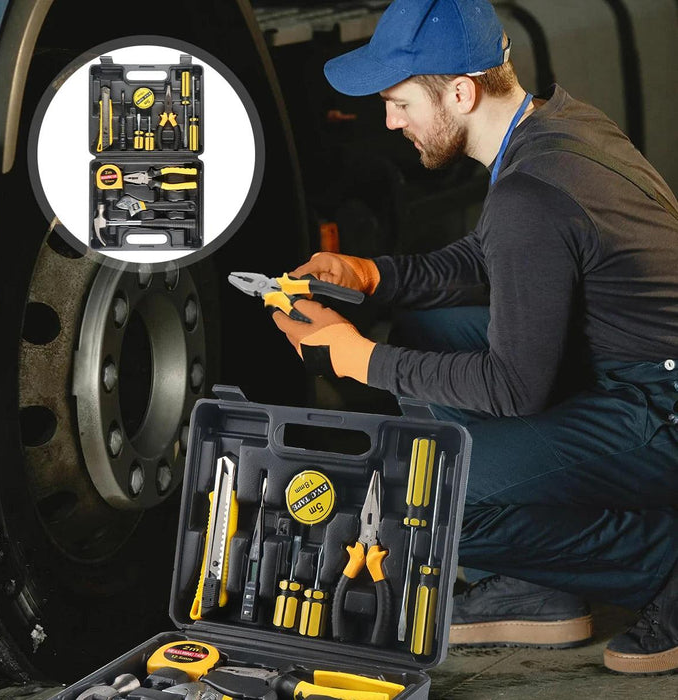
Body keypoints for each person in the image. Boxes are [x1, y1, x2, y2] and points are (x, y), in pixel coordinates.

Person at [270, 0, 678, 676]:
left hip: (659, 407)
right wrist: (371, 275)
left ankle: (659, 559)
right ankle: (542, 582)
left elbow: (514, 387)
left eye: (399, 101)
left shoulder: (532, 192)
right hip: (630, 372)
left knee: (436, 493)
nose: (390, 119)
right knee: (423, 332)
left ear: (460, 93)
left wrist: (357, 358)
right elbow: (497, 256)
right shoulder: (554, 127)